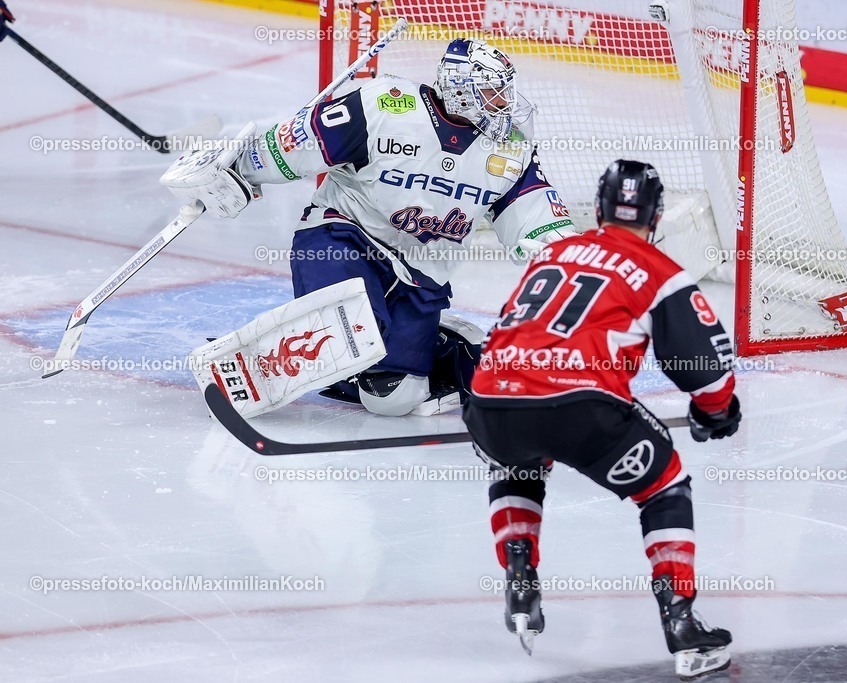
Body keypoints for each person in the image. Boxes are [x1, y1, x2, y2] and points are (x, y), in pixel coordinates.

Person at [162, 38, 575, 416]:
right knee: (348, 324)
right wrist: (238, 169)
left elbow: (531, 209)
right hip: (345, 235)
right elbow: (303, 142)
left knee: (393, 399)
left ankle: (446, 345)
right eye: (492, 92)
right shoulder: (386, 105)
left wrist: (573, 258)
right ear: (461, 89)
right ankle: (328, 347)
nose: (503, 103)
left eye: (504, 90)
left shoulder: (510, 145)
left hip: (423, 271)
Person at [462, 160, 741, 679]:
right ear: (656, 215)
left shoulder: (554, 252)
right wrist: (717, 411)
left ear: (597, 209)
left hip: (490, 399)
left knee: (517, 461)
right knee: (664, 485)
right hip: (581, 408)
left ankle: (520, 580)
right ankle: (680, 620)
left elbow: (514, 330)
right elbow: (701, 365)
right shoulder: (659, 269)